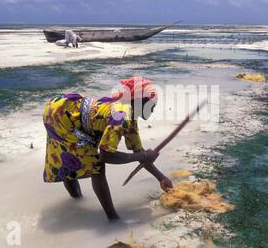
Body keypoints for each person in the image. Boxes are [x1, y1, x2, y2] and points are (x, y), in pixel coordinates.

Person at [42, 77, 173, 220]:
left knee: (70, 157)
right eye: (151, 104)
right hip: (61, 115)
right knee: (95, 166)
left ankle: (77, 202)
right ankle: (112, 218)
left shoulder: (130, 116)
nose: (153, 109)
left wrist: (161, 178)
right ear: (138, 101)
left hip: (61, 108)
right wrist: (140, 157)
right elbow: (106, 155)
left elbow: (138, 151)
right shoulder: (122, 114)